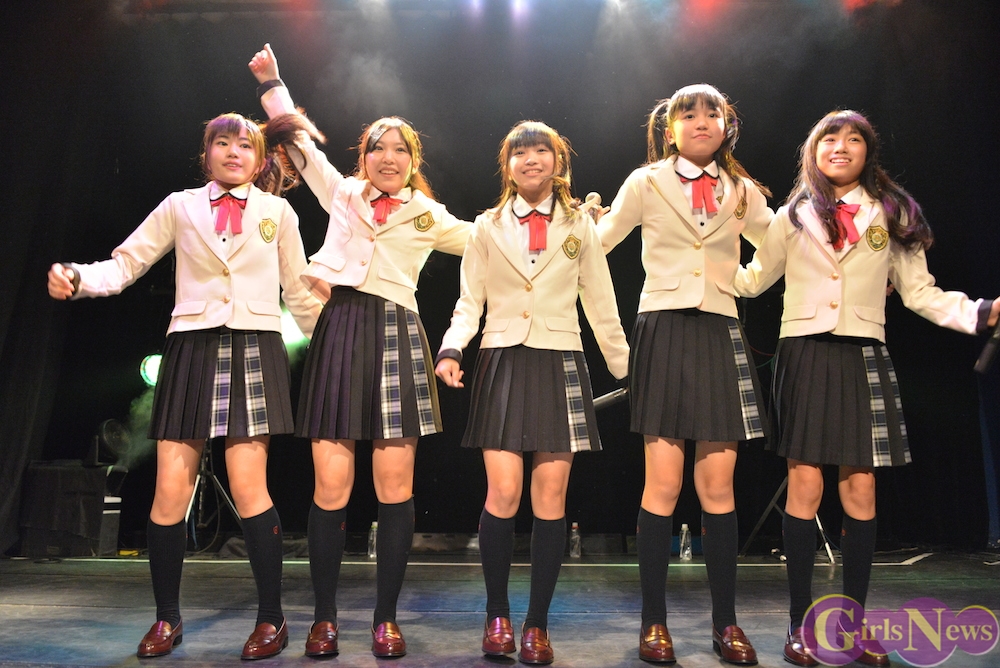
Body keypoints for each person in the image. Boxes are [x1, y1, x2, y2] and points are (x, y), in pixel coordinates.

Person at [47, 112, 323, 660]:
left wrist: (333, 343)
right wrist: (78, 277)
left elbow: (299, 292)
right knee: (171, 490)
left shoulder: (278, 212)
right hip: (191, 347)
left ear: (260, 160)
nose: (233, 152)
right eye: (223, 142)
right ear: (207, 153)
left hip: (254, 346)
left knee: (250, 488)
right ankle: (166, 619)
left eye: (245, 145)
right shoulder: (180, 205)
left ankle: (272, 620)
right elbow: (125, 264)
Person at [734, 109, 1000, 667]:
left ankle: (852, 625)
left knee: (861, 491)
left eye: (853, 138)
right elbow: (753, 280)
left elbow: (921, 293)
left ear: (867, 152)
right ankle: (799, 625)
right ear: (814, 152)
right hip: (805, 353)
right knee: (804, 486)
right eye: (829, 138)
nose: (841, 146)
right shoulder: (792, 214)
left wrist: (981, 312)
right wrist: (697, 258)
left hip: (863, 352)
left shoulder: (891, 213)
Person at [247, 44, 472, 659]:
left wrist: (578, 223)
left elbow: (493, 240)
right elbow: (300, 146)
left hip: (399, 334)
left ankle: (385, 619)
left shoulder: (428, 215)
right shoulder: (343, 193)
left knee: (395, 487)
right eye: (378, 147)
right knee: (331, 486)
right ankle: (323, 619)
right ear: (364, 157)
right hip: (341, 331)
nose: (388, 157)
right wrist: (272, 83)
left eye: (400, 149)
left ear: (413, 161)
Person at [435, 120, 629, 665]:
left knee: (551, 500)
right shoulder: (486, 226)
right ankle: (497, 616)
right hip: (501, 359)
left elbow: (602, 303)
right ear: (508, 165)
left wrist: (626, 368)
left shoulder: (581, 226)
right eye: (521, 152)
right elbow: (469, 301)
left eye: (542, 150)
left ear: (557, 162)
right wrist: (451, 349)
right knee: (502, 494)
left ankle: (537, 625)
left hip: (560, 358)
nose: (532, 159)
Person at [595, 84, 773, 665]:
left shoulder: (743, 191)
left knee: (717, 488)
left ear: (727, 125)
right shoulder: (645, 182)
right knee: (663, 486)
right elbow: (597, 244)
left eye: (711, 113)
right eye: (688, 114)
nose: (701, 121)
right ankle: (654, 622)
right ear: (669, 128)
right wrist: (576, 224)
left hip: (720, 330)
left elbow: (783, 245)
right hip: (664, 329)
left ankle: (726, 624)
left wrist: (744, 282)